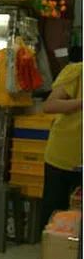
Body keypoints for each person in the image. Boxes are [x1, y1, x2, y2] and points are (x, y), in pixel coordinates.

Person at [41, 46, 82, 230]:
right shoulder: (77, 71)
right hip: (63, 157)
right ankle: (53, 254)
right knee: (56, 216)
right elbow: (50, 105)